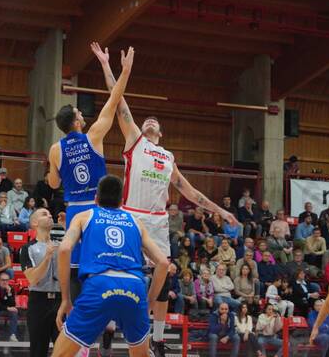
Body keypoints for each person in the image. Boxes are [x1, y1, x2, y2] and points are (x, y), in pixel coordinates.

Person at [99, 42, 237, 356]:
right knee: (121, 274)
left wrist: (221, 211)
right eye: (145, 120)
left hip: (158, 222)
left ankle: (157, 339)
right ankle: (109, 324)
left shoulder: (167, 156)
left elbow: (190, 192)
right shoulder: (135, 141)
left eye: (153, 121)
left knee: (163, 278)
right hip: (132, 216)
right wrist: (112, 68)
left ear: (160, 131)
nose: (148, 121)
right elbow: (118, 101)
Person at [47, 44, 133, 296]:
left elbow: (52, 185)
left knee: (75, 266)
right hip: (98, 209)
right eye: (78, 112)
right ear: (76, 121)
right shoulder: (93, 136)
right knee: (101, 264)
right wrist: (123, 70)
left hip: (74, 210)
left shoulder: (55, 149)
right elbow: (114, 99)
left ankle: (74, 315)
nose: (81, 113)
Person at [52, 174, 169, 357]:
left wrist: (66, 299)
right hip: (134, 287)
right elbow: (162, 262)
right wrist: (149, 303)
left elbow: (65, 249)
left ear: (96, 198)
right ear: (122, 201)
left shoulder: (84, 216)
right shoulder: (136, 222)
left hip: (99, 284)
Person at [20, 208, 62, 357]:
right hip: (39, 302)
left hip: (60, 301)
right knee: (38, 351)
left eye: (50, 213)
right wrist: (48, 256)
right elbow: (33, 278)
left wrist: (66, 228)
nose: (50, 215)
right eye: (44, 214)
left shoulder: (62, 245)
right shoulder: (28, 248)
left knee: (64, 350)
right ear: (34, 222)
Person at [0, 271, 19, 342]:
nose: (5, 282)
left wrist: (9, 293)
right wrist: (7, 308)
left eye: (6, 280)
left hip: (5, 310)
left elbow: (13, 305)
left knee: (14, 312)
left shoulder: (11, 289)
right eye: (3, 280)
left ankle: (13, 335)